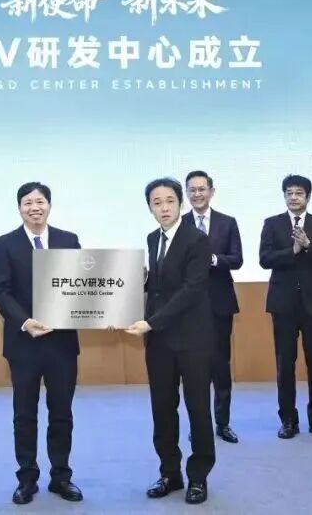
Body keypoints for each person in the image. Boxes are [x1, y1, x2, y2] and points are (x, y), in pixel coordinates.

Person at [0, 182, 83, 505]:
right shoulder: (5, 243)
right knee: (24, 413)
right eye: (28, 203)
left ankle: (61, 476)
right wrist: (25, 321)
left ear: (49, 205)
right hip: (24, 342)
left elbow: (82, 286)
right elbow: (0, 290)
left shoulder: (68, 240)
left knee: (62, 412)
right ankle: (27, 478)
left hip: (62, 343)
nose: (34, 207)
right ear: (19, 208)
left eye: (40, 202)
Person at [129, 178, 215, 505]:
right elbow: (162, 286)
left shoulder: (197, 239)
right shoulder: (153, 238)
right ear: (149, 207)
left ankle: (198, 477)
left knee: (197, 409)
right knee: (163, 409)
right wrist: (139, 281)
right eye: (157, 202)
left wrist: (151, 322)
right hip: (160, 342)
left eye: (169, 201)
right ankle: (170, 473)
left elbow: (192, 290)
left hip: (193, 340)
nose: (164, 208)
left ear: (181, 203)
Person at [260, 174, 312, 440]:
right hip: (283, 304)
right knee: (285, 364)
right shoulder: (272, 224)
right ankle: (288, 420)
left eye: (299, 193)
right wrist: (292, 251)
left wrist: (308, 246)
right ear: (284, 196)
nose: (294, 197)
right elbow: (264, 259)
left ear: (308, 196)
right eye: (289, 193)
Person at [181, 170, 242, 444]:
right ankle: (199, 424)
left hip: (219, 304)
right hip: (187, 307)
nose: (197, 194)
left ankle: (223, 423)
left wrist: (213, 259)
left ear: (211, 191)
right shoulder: (179, 223)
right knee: (194, 369)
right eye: (192, 190)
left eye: (202, 189)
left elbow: (237, 259)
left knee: (220, 365)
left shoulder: (227, 222)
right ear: (186, 194)